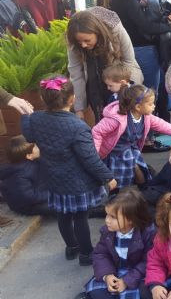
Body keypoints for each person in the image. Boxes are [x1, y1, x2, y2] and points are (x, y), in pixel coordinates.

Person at [21, 76, 116, 266]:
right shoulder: (78, 127)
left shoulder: (36, 119)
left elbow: (29, 134)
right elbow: (89, 159)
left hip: (54, 179)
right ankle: (86, 254)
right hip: (77, 182)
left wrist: (25, 115)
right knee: (80, 217)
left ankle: (71, 247)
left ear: (43, 98)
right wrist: (108, 177)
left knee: (63, 215)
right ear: (72, 99)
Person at [97, 0, 171, 99]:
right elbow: (145, 26)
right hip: (141, 50)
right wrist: (170, 25)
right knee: (148, 96)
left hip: (116, 51)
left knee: (128, 97)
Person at [92, 85, 171, 188]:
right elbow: (97, 132)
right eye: (150, 104)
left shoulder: (145, 116)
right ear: (138, 107)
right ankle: (119, 192)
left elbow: (158, 123)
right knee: (122, 175)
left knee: (140, 169)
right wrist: (95, 153)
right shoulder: (116, 119)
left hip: (131, 149)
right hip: (116, 152)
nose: (154, 107)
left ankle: (143, 188)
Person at [67, 7, 144, 122]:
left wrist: (125, 92)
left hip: (120, 79)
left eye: (87, 40)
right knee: (102, 119)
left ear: (97, 32)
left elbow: (129, 61)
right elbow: (76, 75)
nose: (83, 45)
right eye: (79, 42)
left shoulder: (115, 29)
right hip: (94, 82)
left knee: (126, 121)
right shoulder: (74, 39)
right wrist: (79, 109)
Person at [83, 188, 155, 299]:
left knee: (144, 293)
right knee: (98, 293)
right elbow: (100, 254)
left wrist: (127, 281)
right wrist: (107, 275)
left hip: (138, 275)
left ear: (131, 219)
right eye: (106, 215)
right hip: (114, 269)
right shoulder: (108, 232)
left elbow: (148, 262)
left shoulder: (147, 234)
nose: (107, 220)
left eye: (113, 217)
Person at [0, 135, 50, 216]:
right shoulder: (21, 174)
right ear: (29, 155)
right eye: (36, 147)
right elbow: (29, 197)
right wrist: (51, 194)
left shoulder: (32, 161)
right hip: (27, 205)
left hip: (37, 192)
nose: (39, 147)